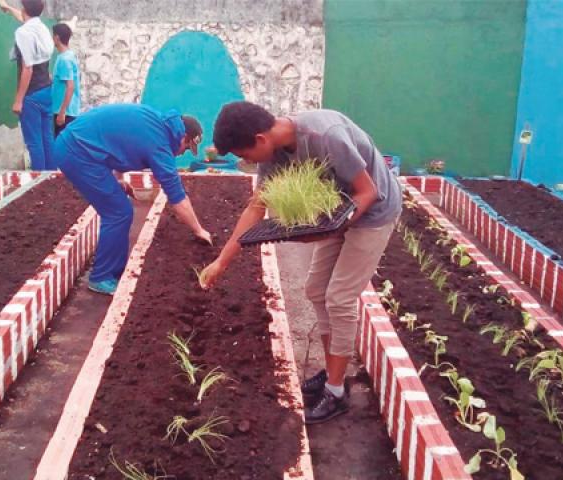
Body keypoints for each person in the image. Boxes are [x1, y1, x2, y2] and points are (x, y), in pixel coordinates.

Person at [200, 101, 402, 423]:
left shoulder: (326, 136)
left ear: (260, 138)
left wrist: (330, 228)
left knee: (340, 298)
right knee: (315, 289)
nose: (245, 162)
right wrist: (222, 262)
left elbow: (368, 192)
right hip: (337, 211)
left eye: (244, 154)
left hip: (373, 213)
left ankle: (336, 392)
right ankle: (332, 371)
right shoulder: (273, 155)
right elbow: (256, 208)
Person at [54, 104, 213, 295]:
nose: (182, 153)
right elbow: (178, 198)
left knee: (119, 207)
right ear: (183, 137)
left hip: (78, 144)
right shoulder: (160, 145)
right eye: (187, 148)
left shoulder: (156, 121)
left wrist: (119, 179)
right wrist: (199, 230)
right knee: (118, 212)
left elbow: (123, 143)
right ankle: (101, 277)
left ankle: (112, 271)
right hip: (77, 152)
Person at [0, 0, 55, 170]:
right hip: (46, 89)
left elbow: (27, 68)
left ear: (24, 9)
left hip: (32, 92)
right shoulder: (41, 27)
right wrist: (7, 8)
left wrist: (19, 99)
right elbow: (26, 20)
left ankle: (38, 180)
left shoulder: (23, 32)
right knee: (46, 138)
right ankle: (51, 178)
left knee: (34, 142)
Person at [51, 23, 81, 137]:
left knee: (61, 145)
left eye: (53, 36)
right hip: (68, 110)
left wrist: (62, 112)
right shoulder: (69, 55)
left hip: (65, 112)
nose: (52, 38)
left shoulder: (64, 59)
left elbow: (70, 86)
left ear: (57, 38)